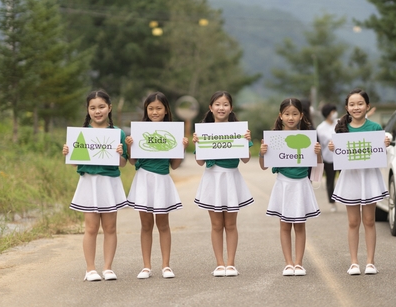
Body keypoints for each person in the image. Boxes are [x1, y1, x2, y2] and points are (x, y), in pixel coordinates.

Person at [62, 90, 128, 282]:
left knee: (110, 227)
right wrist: (68, 152)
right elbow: (75, 163)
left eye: (101, 107)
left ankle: (108, 268)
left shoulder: (118, 133)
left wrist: (120, 153)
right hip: (89, 182)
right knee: (91, 228)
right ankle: (90, 269)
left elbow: (123, 163)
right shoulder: (81, 133)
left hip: (109, 183)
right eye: (93, 108)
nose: (97, 111)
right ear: (88, 110)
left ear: (109, 108)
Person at [125, 92, 188, 280]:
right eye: (151, 108)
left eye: (158, 108)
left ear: (166, 110)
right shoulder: (139, 131)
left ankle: (166, 266)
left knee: (163, 224)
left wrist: (182, 148)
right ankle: (146, 266)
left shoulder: (172, 132)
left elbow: (174, 165)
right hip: (143, 179)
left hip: (162, 179)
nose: (154, 112)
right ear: (146, 110)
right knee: (145, 225)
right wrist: (129, 145)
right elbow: (132, 161)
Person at [327, 89, 390, 276]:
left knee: (369, 220)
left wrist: (384, 145)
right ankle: (354, 262)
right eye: (352, 104)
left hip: (369, 177)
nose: (356, 107)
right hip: (351, 178)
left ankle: (370, 262)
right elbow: (339, 156)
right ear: (346, 108)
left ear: (367, 106)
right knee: (353, 222)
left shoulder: (375, 128)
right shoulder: (340, 130)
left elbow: (380, 155)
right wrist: (332, 148)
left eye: (360, 103)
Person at [192, 91, 254, 277]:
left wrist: (246, 141)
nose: (221, 108)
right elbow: (200, 162)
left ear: (231, 108)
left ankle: (231, 263)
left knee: (231, 224)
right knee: (216, 225)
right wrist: (197, 144)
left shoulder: (239, 130)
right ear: (210, 108)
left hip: (231, 177)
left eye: (225, 104)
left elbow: (245, 159)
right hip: (213, 178)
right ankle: (220, 264)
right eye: (217, 104)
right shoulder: (203, 131)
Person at [259, 98, 322, 276]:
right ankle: (288, 263)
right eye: (287, 114)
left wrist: (318, 154)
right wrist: (262, 153)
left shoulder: (308, 138)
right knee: (285, 225)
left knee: (300, 225)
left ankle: (299, 263)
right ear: (280, 116)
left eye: (295, 114)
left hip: (302, 184)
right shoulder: (273, 138)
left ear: (301, 115)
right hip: (283, 184)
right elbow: (263, 166)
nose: (291, 117)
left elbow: (317, 167)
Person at [316, 103, 339, 212]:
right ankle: (332, 202)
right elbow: (322, 142)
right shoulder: (320, 128)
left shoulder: (339, 123)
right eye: (332, 111)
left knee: (347, 177)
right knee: (330, 180)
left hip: (341, 156)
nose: (334, 114)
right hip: (328, 157)